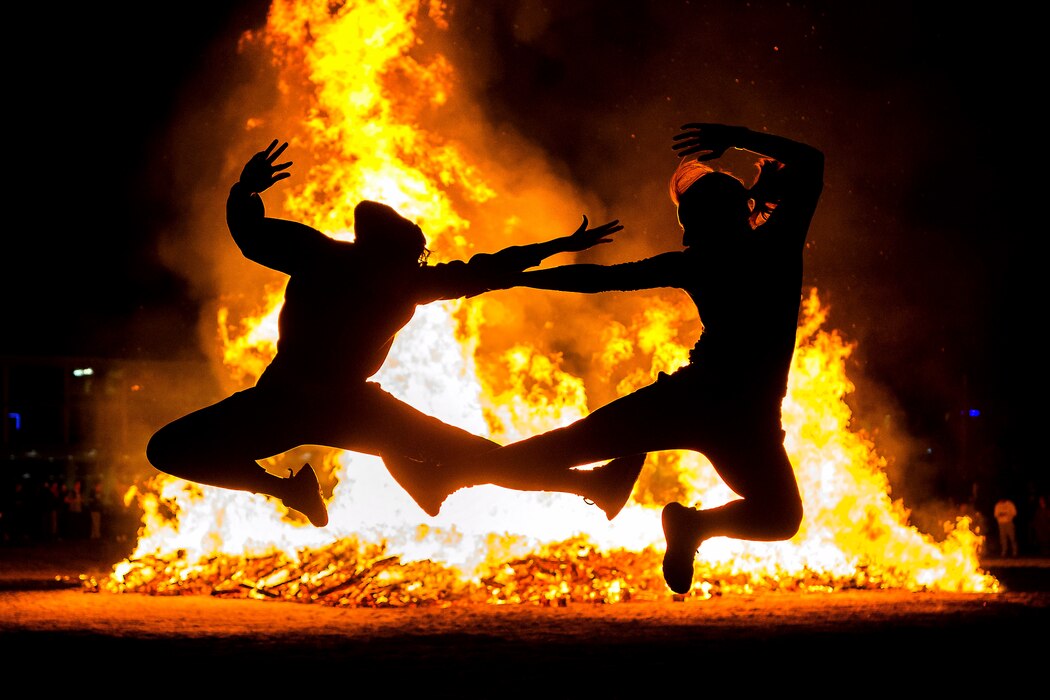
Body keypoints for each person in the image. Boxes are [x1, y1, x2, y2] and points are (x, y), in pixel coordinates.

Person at [393, 123, 824, 594]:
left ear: (705, 224)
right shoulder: (771, 248)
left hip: (715, 405)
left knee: (778, 515)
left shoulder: (712, 258)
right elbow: (811, 163)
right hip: (728, 408)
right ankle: (453, 478)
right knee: (777, 516)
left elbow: (602, 279)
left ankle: (690, 527)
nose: (688, 233)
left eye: (693, 222)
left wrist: (514, 279)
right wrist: (733, 137)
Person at [146, 139, 643, 529]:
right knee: (480, 456)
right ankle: (580, 486)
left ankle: (308, 489)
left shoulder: (322, 255)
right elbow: (488, 270)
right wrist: (559, 244)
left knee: (169, 448)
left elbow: (249, 234)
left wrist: (246, 189)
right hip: (341, 407)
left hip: (293, 401)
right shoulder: (405, 281)